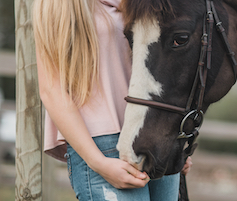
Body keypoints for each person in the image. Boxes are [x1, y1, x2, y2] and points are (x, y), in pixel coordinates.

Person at [32, 0, 193, 200]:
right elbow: (51, 91)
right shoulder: (62, 4)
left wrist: (176, 142)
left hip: (155, 137)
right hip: (102, 144)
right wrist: (98, 162)